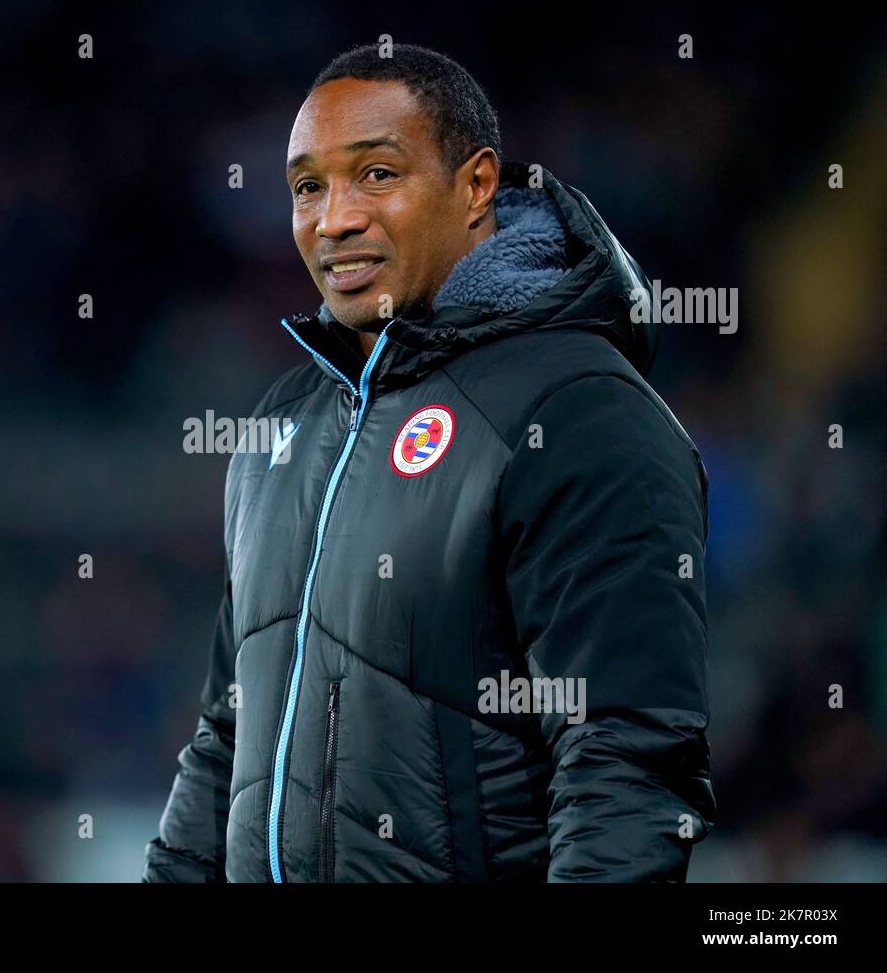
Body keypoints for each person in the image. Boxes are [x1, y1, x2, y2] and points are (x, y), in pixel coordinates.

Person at [144, 43, 715, 882]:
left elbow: (625, 767)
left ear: (477, 185)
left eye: (375, 174)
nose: (334, 218)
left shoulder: (581, 412)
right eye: (308, 187)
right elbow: (223, 745)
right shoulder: (282, 430)